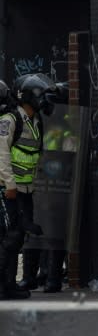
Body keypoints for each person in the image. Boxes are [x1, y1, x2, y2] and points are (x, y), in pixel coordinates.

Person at [0, 74, 58, 300]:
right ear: (29, 97)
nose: (45, 100)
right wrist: (10, 184)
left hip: (25, 190)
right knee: (8, 238)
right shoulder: (9, 120)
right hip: (7, 189)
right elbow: (2, 154)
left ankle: (9, 284)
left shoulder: (35, 121)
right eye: (41, 95)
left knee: (18, 238)